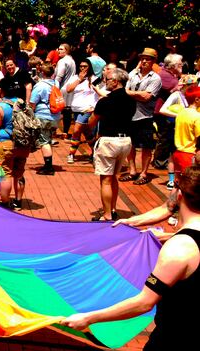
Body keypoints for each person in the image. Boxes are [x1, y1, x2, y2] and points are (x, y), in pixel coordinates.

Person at [62, 164, 200, 351]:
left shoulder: (180, 248)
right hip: (194, 348)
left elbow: (143, 303)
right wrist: (147, 228)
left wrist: (89, 318)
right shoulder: (182, 241)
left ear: (180, 195)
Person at [86, 68, 136, 221]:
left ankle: (107, 214)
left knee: (106, 179)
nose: (105, 82)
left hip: (109, 141)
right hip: (126, 141)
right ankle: (112, 209)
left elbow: (91, 122)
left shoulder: (105, 101)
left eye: (107, 80)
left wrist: (92, 112)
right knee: (114, 176)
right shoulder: (131, 100)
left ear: (115, 81)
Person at [121, 48, 162, 185]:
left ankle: (144, 173)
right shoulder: (133, 74)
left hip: (145, 116)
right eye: (142, 58)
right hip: (130, 115)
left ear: (153, 62)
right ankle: (132, 170)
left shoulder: (155, 78)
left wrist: (129, 93)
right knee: (129, 145)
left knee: (146, 146)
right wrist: (134, 93)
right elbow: (124, 90)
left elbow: (146, 97)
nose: (144, 61)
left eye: (148, 59)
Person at [65, 59, 99, 163]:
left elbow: (99, 92)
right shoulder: (75, 78)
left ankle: (71, 154)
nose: (83, 68)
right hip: (76, 108)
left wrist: (94, 107)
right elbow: (68, 89)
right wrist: (79, 79)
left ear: (90, 67)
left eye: (85, 66)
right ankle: (95, 152)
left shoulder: (94, 79)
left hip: (87, 109)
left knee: (76, 130)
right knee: (87, 132)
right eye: (81, 66)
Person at [30, 63, 61, 175]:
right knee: (48, 139)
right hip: (55, 116)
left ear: (42, 72)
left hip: (43, 115)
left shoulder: (40, 86)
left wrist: (30, 113)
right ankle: (48, 163)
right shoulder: (56, 83)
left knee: (44, 141)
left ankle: (48, 167)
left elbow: (33, 102)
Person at [172, 85, 200, 175]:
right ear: (196, 99)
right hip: (190, 154)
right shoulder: (197, 116)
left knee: (178, 183)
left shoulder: (181, 113)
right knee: (189, 184)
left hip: (178, 153)